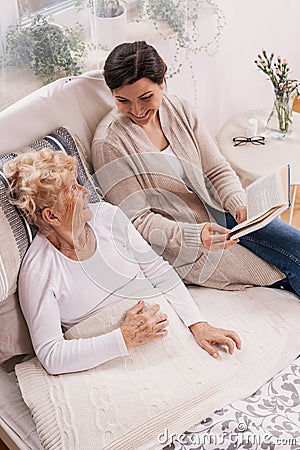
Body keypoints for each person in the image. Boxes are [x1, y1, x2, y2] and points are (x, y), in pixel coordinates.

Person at [3, 148, 241, 375]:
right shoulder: (38, 272)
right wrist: (125, 337)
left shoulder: (108, 216)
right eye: (73, 189)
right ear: (52, 216)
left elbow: (159, 271)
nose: (85, 191)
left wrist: (198, 325)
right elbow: (52, 355)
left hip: (161, 328)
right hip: (110, 359)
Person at [92, 40, 300, 296]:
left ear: (163, 82)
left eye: (146, 97)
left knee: (296, 248)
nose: (137, 111)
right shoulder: (109, 144)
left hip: (221, 212)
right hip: (181, 240)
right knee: (282, 271)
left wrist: (239, 204)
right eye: (123, 101)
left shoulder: (179, 108)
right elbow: (137, 221)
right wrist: (195, 235)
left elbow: (216, 169)